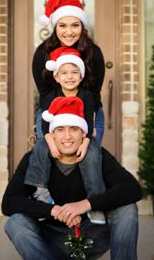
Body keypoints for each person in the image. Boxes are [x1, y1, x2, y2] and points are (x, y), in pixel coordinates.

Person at [2, 96, 143, 260]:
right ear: (52, 135)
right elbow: (9, 202)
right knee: (15, 222)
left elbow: (133, 189)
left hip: (91, 234)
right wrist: (54, 211)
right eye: (60, 129)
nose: (67, 136)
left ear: (83, 133)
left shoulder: (98, 156)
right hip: (50, 238)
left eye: (74, 129)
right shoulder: (34, 159)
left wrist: (84, 205)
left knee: (127, 210)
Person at [25, 47, 106, 224]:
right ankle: (41, 193)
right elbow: (45, 125)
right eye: (64, 73)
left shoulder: (87, 96)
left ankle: (95, 202)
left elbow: (89, 122)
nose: (69, 77)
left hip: (80, 136)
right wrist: (51, 144)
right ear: (56, 77)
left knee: (93, 153)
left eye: (74, 72)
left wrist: (85, 143)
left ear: (81, 75)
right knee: (39, 148)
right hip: (55, 137)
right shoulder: (51, 96)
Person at [33, 0, 105, 145]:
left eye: (75, 25)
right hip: (51, 110)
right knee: (47, 156)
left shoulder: (94, 53)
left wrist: (88, 127)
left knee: (89, 157)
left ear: (82, 26)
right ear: (55, 27)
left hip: (88, 111)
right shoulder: (42, 54)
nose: (69, 32)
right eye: (62, 26)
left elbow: (94, 93)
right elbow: (45, 94)